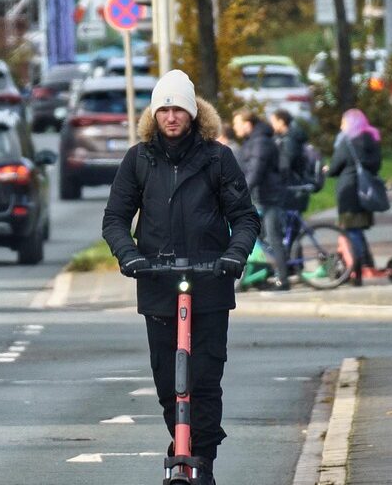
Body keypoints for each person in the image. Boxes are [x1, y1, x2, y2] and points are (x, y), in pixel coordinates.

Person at [102, 69, 261, 483]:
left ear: (193, 113)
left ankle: (200, 460)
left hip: (209, 283)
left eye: (178, 109)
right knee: (167, 381)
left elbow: (244, 217)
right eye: (164, 109)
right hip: (157, 283)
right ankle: (181, 444)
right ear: (155, 114)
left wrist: (234, 255)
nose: (171, 117)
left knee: (205, 378)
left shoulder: (217, 158)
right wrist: (129, 256)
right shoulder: (139, 160)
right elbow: (115, 219)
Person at [233, 109, 288, 290]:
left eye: (237, 124)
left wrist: (241, 193)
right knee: (256, 238)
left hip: (269, 197)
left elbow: (255, 171)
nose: (235, 128)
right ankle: (260, 275)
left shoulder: (260, 142)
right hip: (260, 197)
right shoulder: (252, 141)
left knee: (273, 238)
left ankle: (283, 279)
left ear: (248, 125)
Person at [327, 109, 383, 286]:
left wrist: (327, 170)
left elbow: (335, 167)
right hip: (365, 191)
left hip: (349, 191)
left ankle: (356, 272)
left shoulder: (347, 141)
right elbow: (376, 165)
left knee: (351, 232)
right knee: (358, 231)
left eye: (344, 122)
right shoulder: (372, 139)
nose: (341, 126)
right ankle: (367, 264)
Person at [271, 109, 311, 213]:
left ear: (281, 122)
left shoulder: (290, 140)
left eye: (274, 122)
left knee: (289, 222)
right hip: (295, 185)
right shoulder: (285, 138)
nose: (272, 125)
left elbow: (285, 163)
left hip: (292, 186)